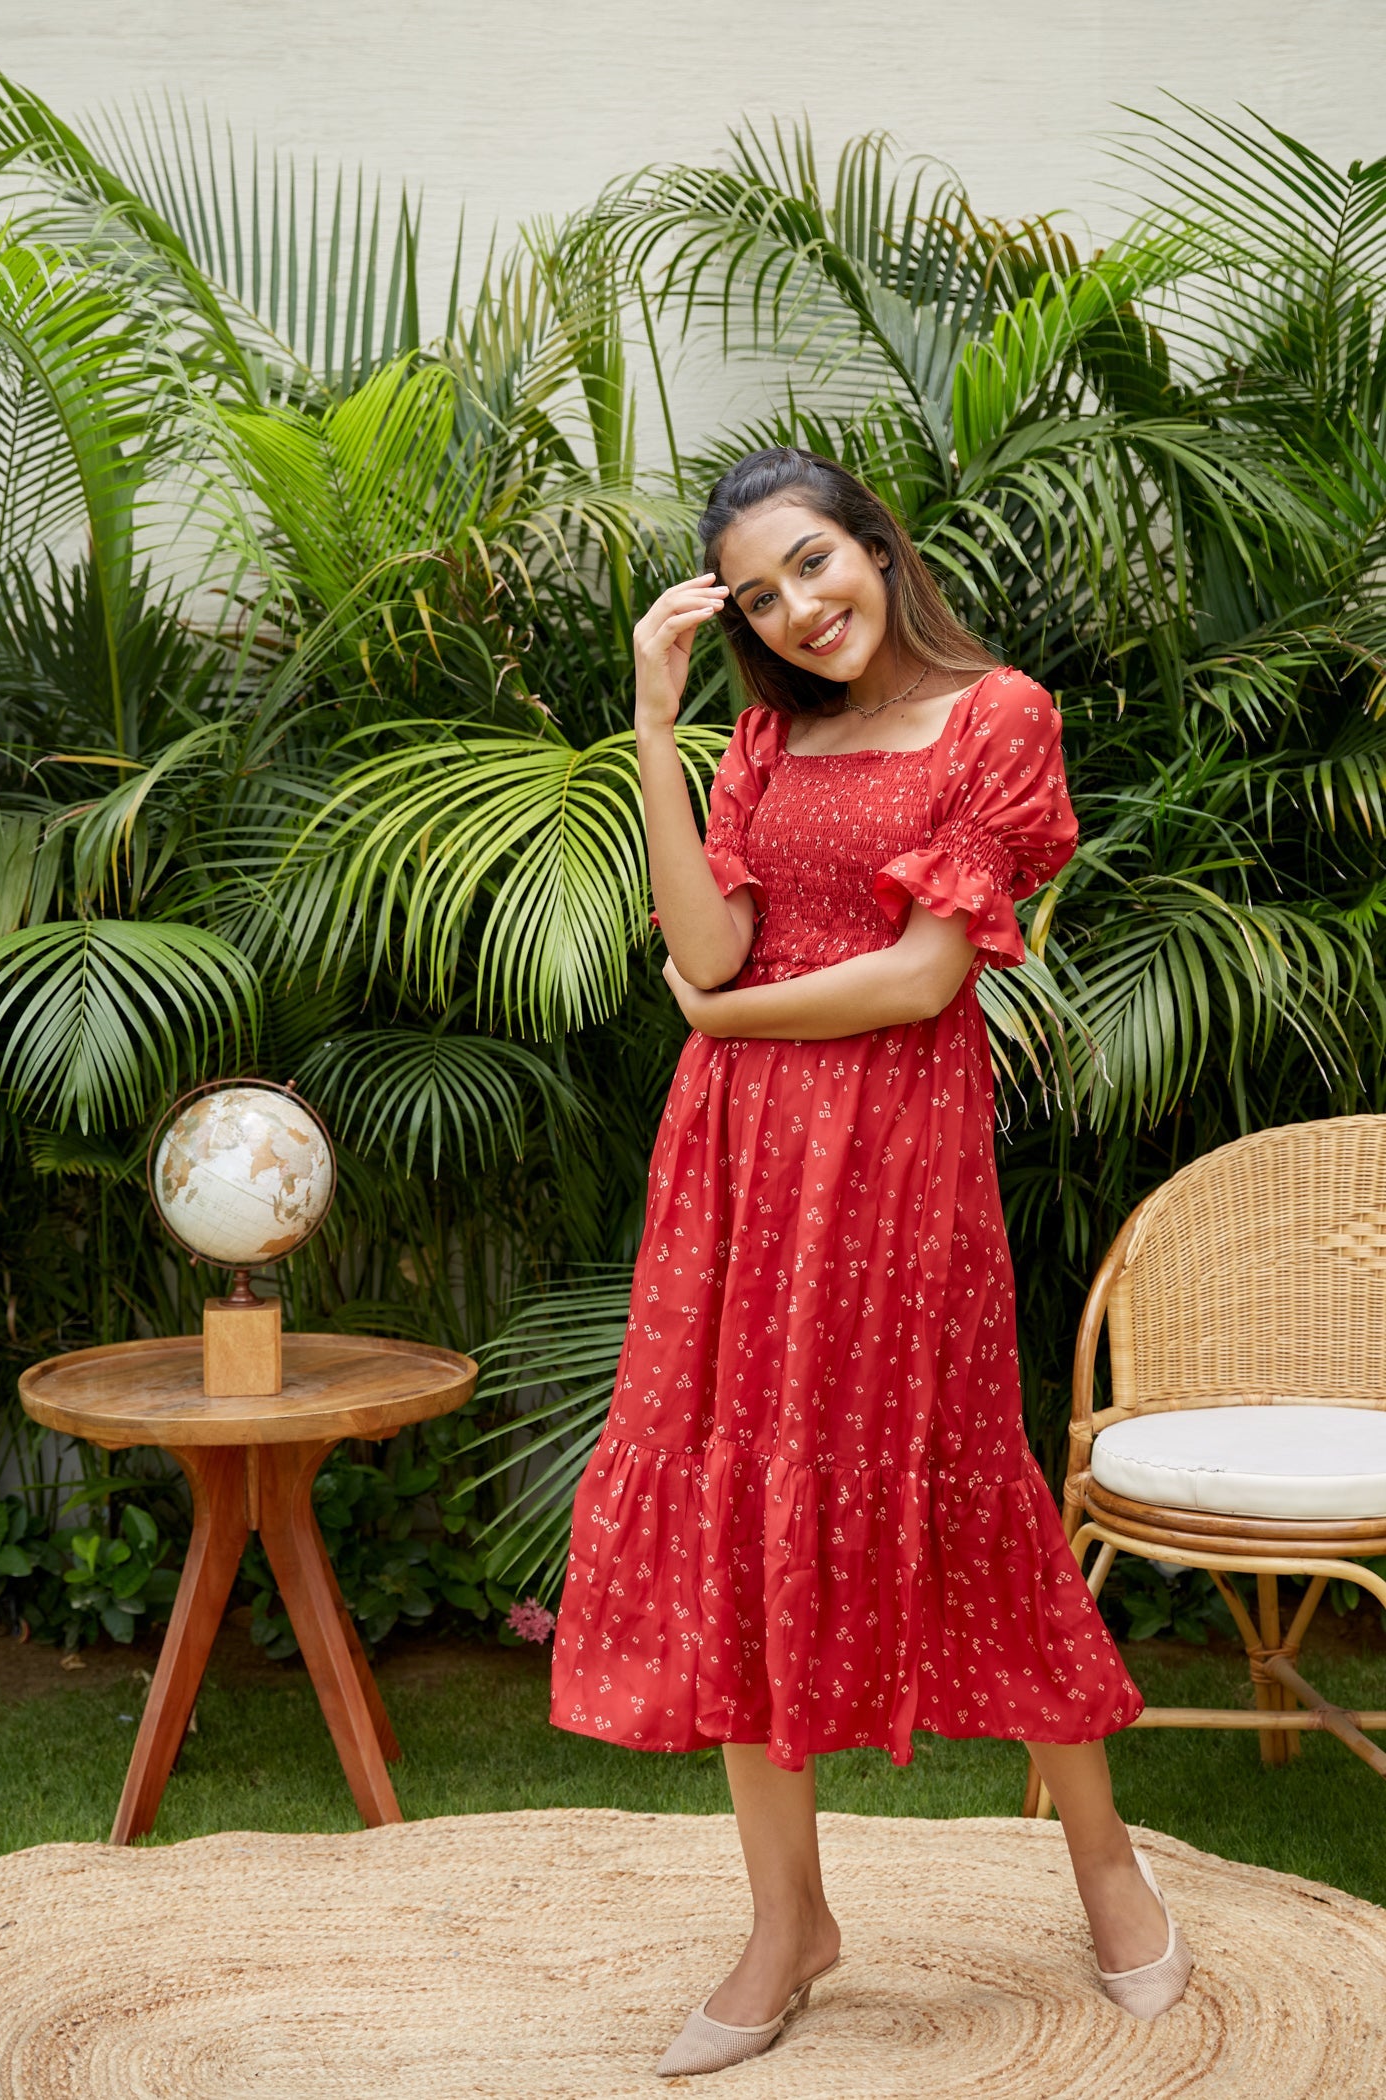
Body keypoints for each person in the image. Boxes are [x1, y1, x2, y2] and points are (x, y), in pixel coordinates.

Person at [548, 447, 1192, 2075]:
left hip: (900, 1171)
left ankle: (1107, 1867)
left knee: (954, 1480)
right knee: (736, 1493)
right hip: (740, 1178)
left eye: (814, 566)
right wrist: (653, 729)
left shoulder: (999, 717)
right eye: (760, 594)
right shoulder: (763, 735)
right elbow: (704, 941)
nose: (798, 609)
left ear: (879, 549)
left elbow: (915, 984)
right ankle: (789, 1924)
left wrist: (723, 1021)